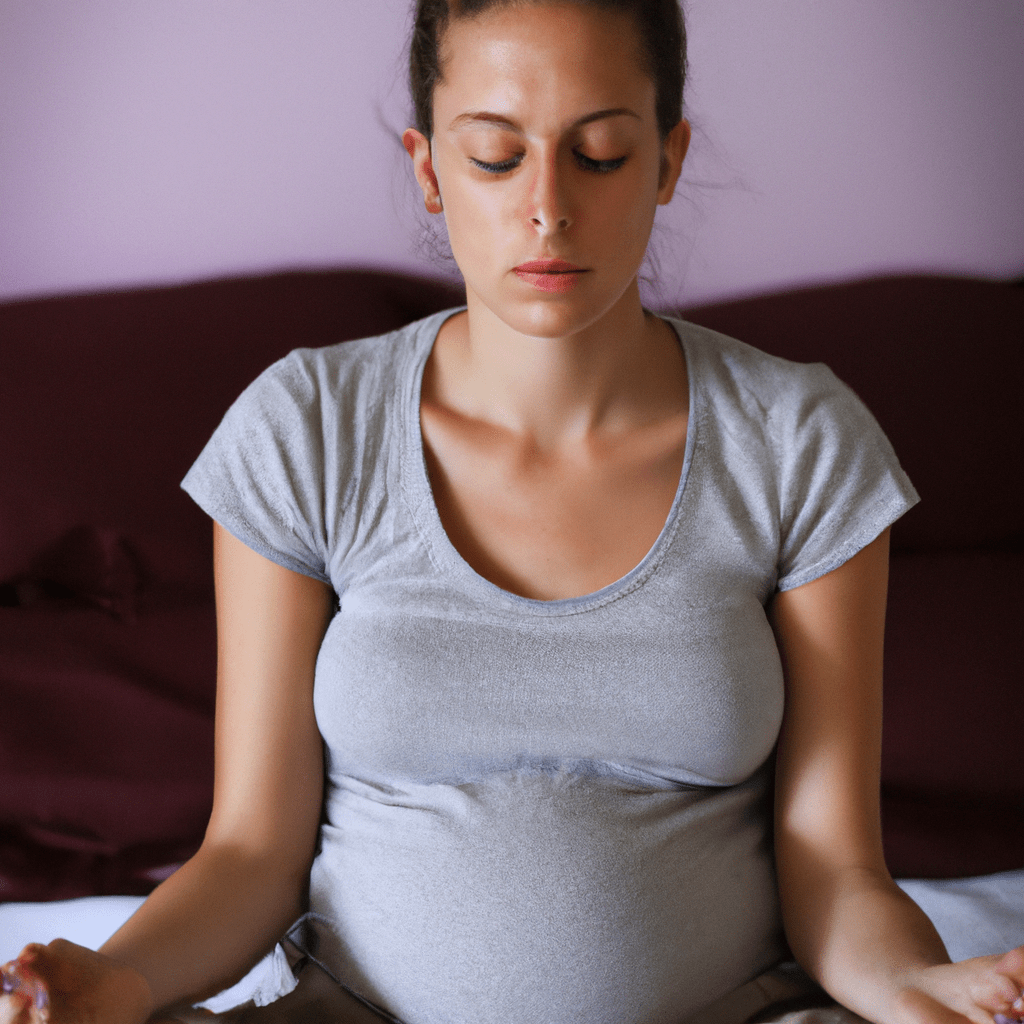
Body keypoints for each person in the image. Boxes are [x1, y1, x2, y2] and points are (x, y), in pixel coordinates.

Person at [3, 1, 1023, 1023]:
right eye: (495, 156)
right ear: (429, 168)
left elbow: (835, 867)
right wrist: (121, 979)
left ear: (667, 161)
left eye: (601, 153)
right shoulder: (307, 427)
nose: (548, 206)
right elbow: (249, 850)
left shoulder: (798, 438)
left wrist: (911, 986)